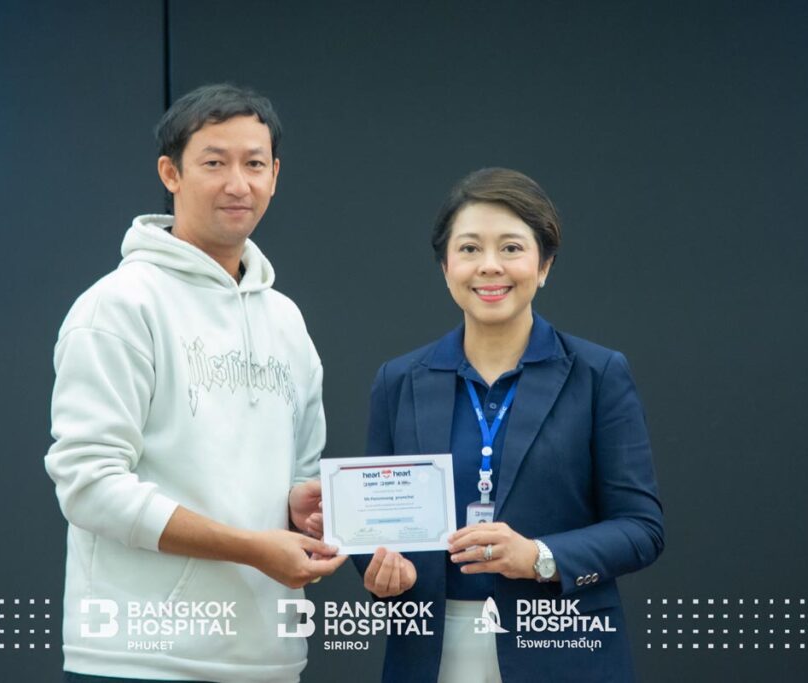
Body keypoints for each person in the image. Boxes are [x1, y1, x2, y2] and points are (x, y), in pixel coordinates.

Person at [45, 83, 345, 683]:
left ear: (275, 176)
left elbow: (302, 471)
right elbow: (88, 484)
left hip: (270, 660)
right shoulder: (119, 306)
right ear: (171, 173)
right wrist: (250, 546)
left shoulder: (286, 319)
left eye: (254, 164)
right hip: (139, 658)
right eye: (214, 163)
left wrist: (300, 508)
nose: (238, 184)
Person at [356, 168, 664, 682]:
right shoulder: (400, 381)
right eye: (469, 248)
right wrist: (380, 566)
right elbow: (373, 520)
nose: (489, 266)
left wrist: (540, 556)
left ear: (544, 265)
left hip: (562, 651)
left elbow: (642, 529)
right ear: (445, 266)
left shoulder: (597, 375)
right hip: (429, 654)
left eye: (511, 248)